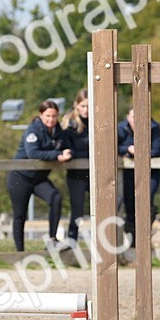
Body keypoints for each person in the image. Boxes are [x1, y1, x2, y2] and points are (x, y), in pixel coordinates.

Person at [8, 100, 72, 251]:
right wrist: (57, 155)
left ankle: (52, 240)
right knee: (20, 215)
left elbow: (69, 145)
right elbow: (33, 153)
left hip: (39, 179)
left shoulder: (58, 131)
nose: (51, 119)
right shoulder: (33, 130)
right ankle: (20, 253)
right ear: (41, 115)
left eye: (54, 116)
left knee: (55, 197)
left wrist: (69, 152)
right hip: (20, 177)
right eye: (48, 116)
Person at [118, 108, 160, 241]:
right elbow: (113, 146)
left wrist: (139, 151)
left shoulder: (154, 128)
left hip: (150, 172)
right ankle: (133, 235)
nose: (135, 120)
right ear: (128, 117)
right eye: (133, 116)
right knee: (130, 201)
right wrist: (128, 149)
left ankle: (144, 232)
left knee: (146, 199)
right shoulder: (120, 128)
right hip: (128, 173)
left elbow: (157, 149)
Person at [61, 89, 89, 243]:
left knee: (110, 204)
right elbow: (67, 148)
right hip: (76, 174)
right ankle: (71, 243)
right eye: (83, 106)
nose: (86, 110)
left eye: (89, 106)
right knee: (77, 210)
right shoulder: (69, 124)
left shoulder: (98, 122)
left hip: (94, 174)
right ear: (76, 105)